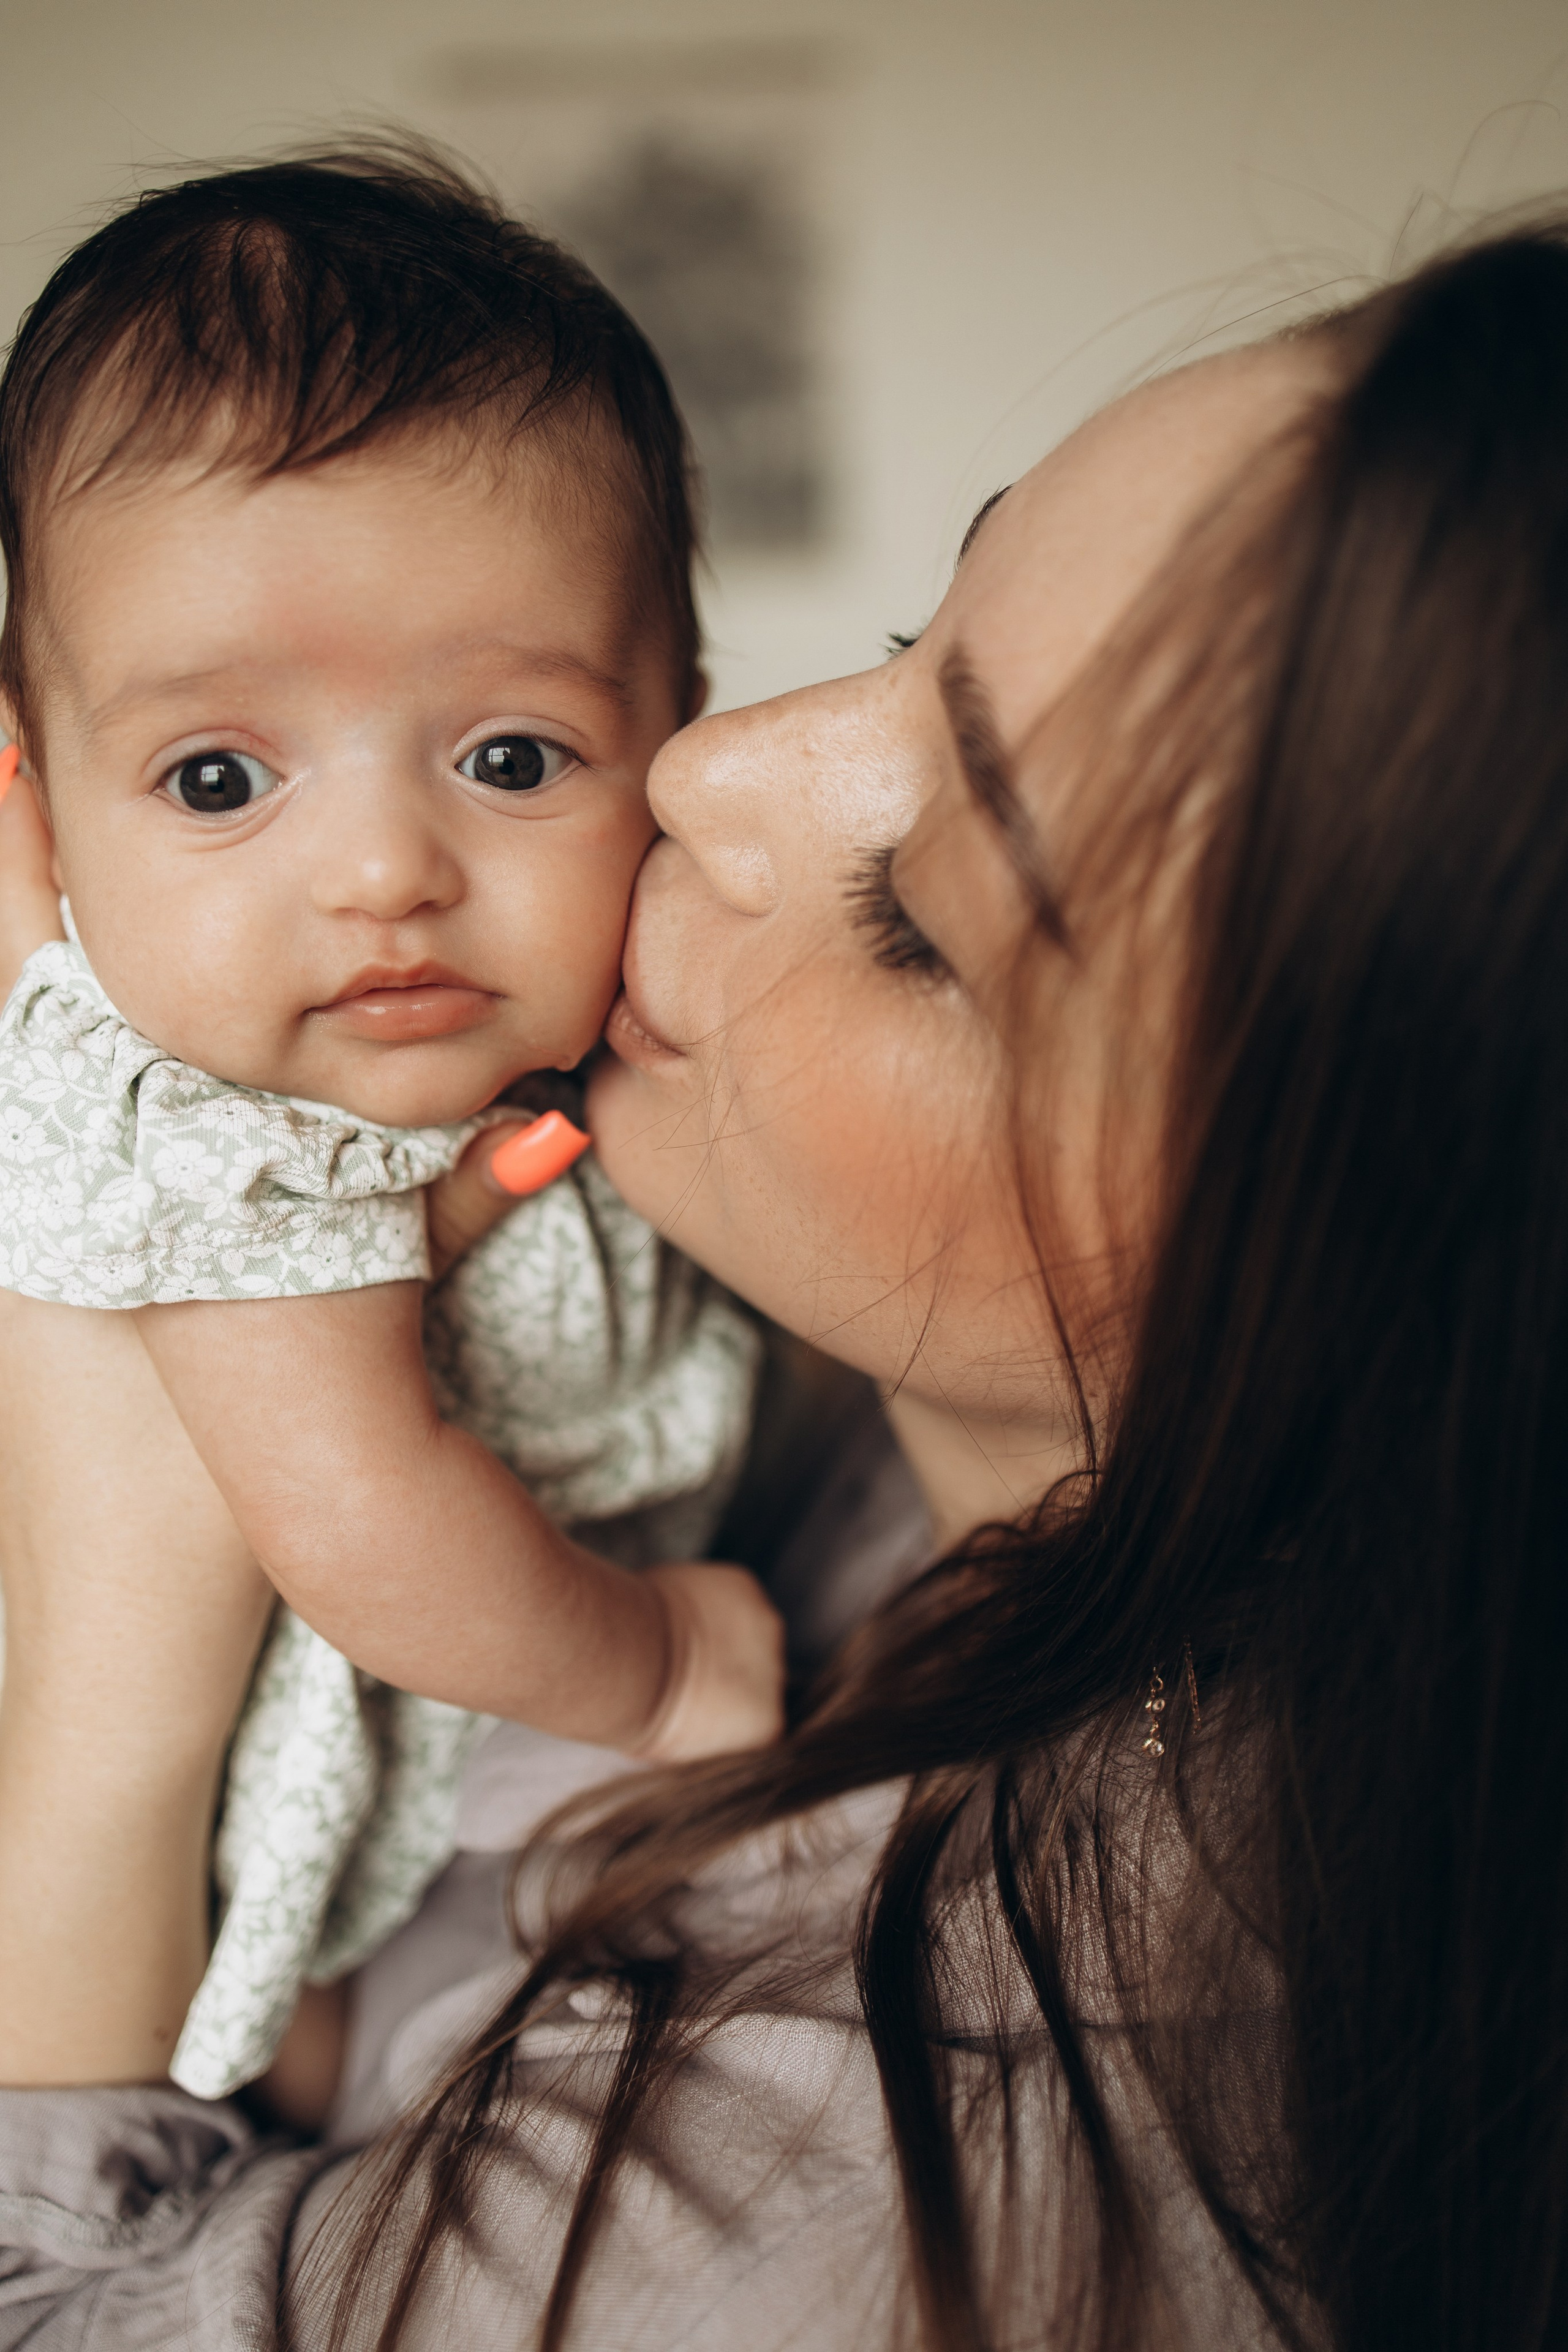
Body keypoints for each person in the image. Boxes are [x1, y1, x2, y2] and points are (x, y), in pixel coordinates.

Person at [2, 209, 1567, 2352]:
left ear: (1376, 1249)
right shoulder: (859, 1408)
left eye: (925, 907)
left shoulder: (877, 2175)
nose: (711, 770)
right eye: (930, 626)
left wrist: (116, 1669)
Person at [0, 146, 783, 2110]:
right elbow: (361, 1521)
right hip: (318, 1742)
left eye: (511, 757)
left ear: (684, 722)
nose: (379, 872)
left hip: (413, 1736)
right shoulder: (210, 1129)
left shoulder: (586, 1053)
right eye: (215, 774)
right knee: (280, 2059)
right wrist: (657, 1671)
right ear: (40, 805)